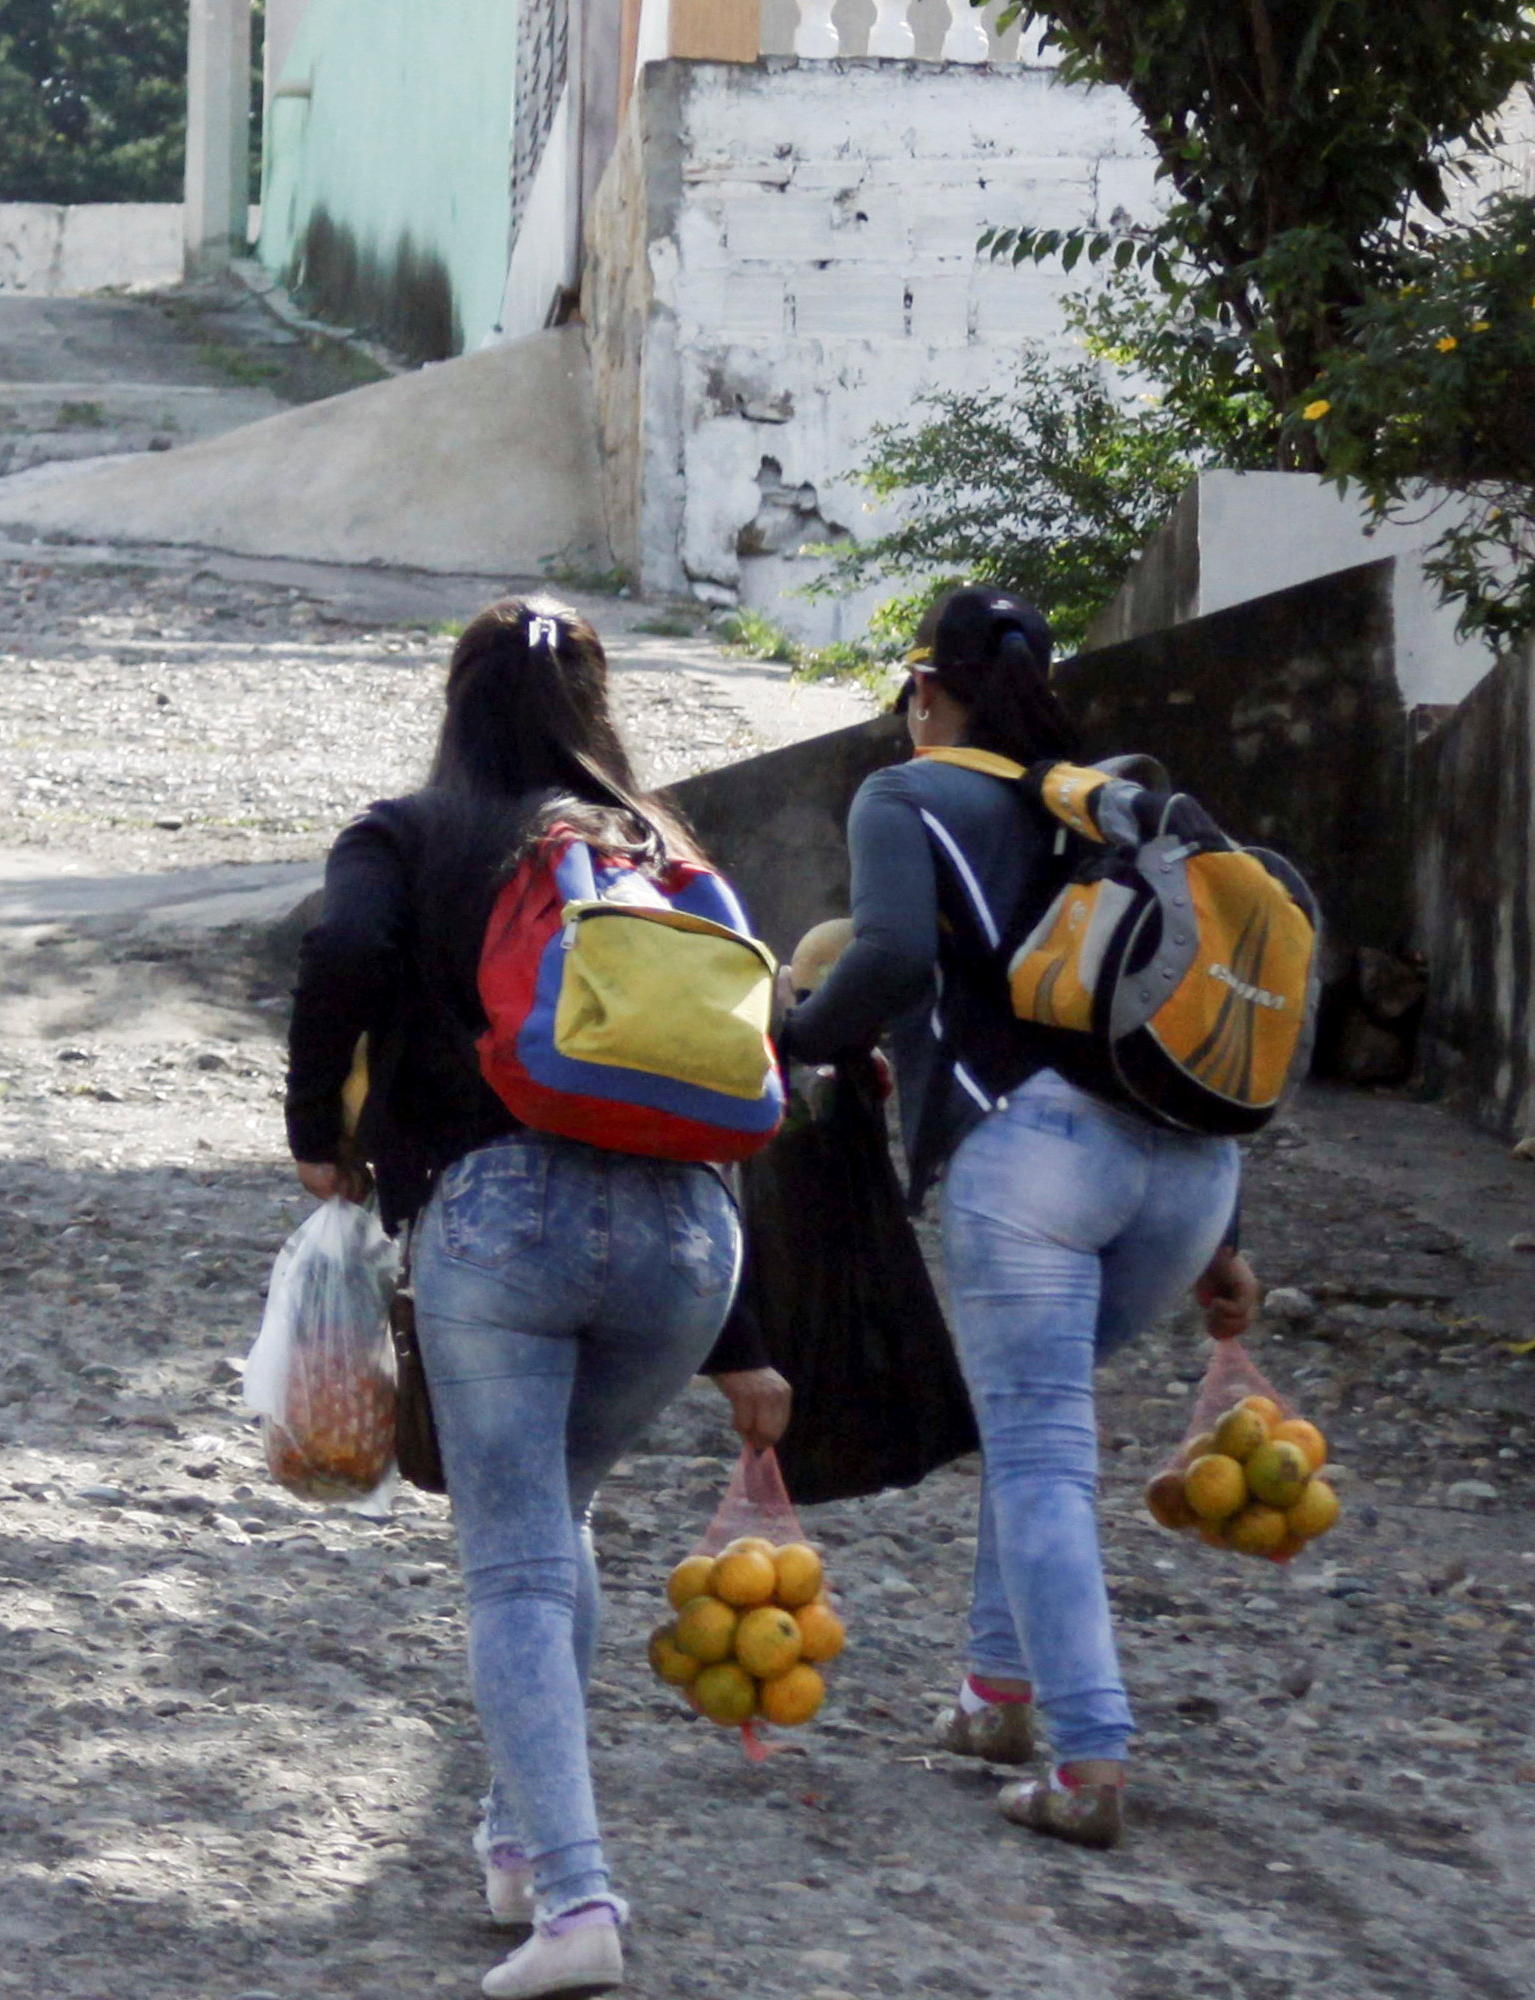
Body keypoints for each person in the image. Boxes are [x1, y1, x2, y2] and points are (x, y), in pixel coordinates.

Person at [286, 599, 781, 1999]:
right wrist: (746, 1342)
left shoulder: (411, 832)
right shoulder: (660, 851)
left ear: (458, 704)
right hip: (694, 1240)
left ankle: (576, 1904)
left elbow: (338, 954)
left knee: (510, 1554)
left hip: (505, 1218)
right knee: (554, 1515)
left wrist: (316, 1132)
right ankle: (515, 1842)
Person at [775, 585, 1260, 1849]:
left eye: (908, 699)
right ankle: (996, 1696)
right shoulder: (1096, 807)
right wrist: (1221, 1249)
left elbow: (882, 958)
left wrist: (787, 1037)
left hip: (1033, 1164)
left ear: (926, 690)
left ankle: (1089, 1757)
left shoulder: (907, 794)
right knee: (1027, 1418)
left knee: (1041, 1446)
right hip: (1190, 1170)